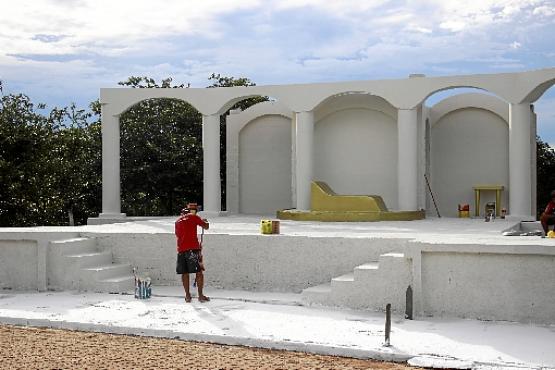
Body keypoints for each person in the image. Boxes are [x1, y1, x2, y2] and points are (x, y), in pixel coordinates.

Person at [175, 203, 210, 303]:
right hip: (193, 249)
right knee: (199, 273)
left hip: (181, 250)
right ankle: (200, 295)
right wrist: (206, 222)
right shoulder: (193, 217)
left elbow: (178, 235)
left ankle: (187, 296)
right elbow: (206, 227)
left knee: (184, 273)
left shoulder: (177, 221)